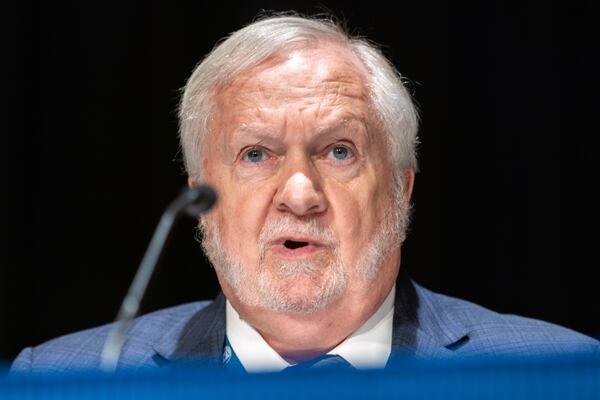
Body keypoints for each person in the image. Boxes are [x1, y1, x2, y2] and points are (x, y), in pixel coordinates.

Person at [10, 14, 599, 374]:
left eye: (338, 151)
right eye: (256, 154)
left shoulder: (561, 374)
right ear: (202, 205)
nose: (299, 193)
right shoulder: (69, 378)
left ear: (401, 190)